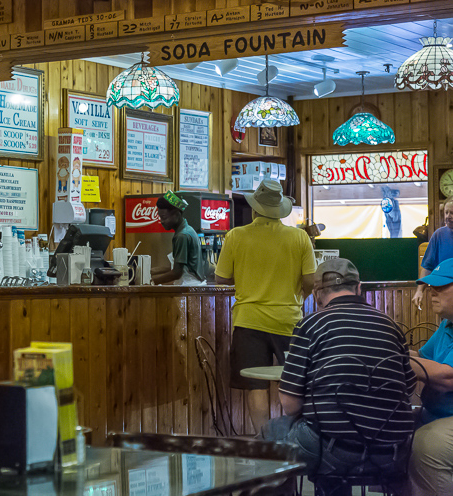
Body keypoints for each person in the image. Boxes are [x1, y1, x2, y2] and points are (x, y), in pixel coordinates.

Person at [261, 258, 415, 496]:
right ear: (359, 287)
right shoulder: (391, 326)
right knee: (325, 430)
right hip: (392, 453)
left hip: (331, 453)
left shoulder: (310, 325)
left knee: (270, 433)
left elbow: (290, 405)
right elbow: (408, 389)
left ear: (317, 294)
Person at [215, 179, 316, 432]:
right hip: (289, 320)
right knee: (294, 382)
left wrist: (246, 277)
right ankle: (295, 437)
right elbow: (310, 281)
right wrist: (298, 299)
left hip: (248, 320)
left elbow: (221, 279)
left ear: (255, 208)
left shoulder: (236, 236)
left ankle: (263, 440)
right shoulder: (300, 237)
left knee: (255, 385)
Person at [408, 257, 453, 496]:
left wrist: (396, 358)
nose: (431, 292)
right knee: (391, 432)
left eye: (441, 286)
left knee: (428, 444)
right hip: (438, 413)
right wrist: (386, 347)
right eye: (430, 286)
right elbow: (423, 358)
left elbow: (447, 378)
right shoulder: (447, 324)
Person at [150, 189, 206, 286]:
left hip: (188, 285)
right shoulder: (187, 230)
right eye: (160, 217)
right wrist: (151, 271)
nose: (162, 221)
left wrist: (152, 281)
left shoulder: (182, 236)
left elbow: (177, 272)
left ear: (176, 214)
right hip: (190, 284)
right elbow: (177, 265)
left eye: (164, 217)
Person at [413, 196, 453, 308]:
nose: (448, 216)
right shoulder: (438, 235)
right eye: (446, 213)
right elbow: (427, 267)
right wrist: (419, 291)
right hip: (443, 295)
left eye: (452, 213)